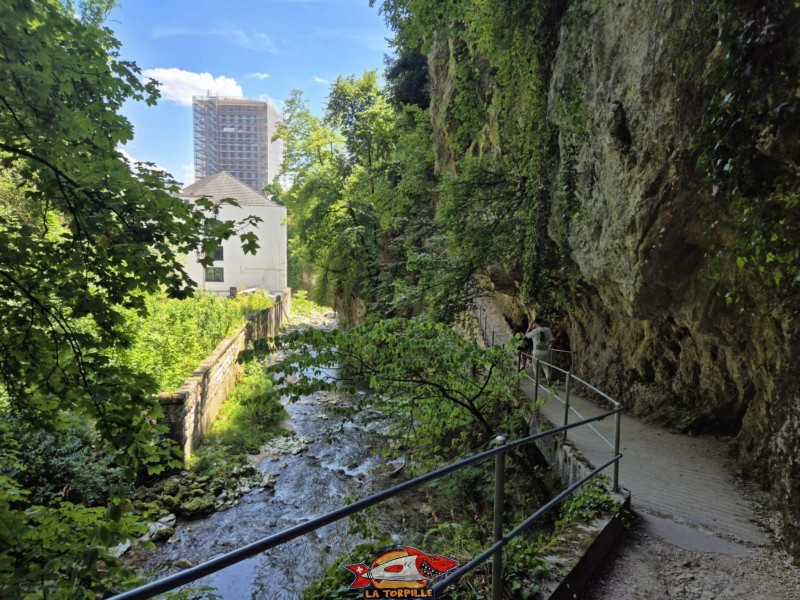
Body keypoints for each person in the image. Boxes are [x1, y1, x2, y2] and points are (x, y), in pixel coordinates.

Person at [525, 317, 554, 384]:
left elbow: (526, 336)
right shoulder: (548, 330)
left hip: (536, 352)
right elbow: (552, 341)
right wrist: (549, 347)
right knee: (545, 366)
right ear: (542, 322)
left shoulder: (535, 331)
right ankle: (548, 378)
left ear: (535, 323)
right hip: (545, 352)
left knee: (536, 367)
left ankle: (538, 381)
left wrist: (530, 326)